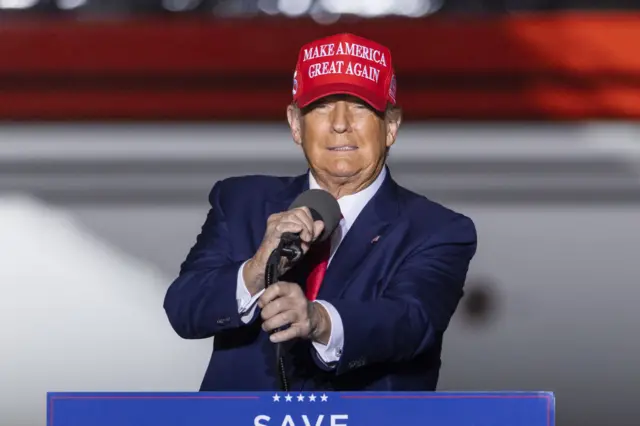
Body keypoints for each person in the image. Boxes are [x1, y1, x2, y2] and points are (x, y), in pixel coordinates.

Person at [163, 33, 477, 391]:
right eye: (322, 105)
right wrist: (255, 270)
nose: (340, 123)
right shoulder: (240, 201)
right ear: (295, 124)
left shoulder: (439, 230)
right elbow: (183, 308)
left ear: (391, 125)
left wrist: (318, 320)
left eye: (360, 106)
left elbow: (410, 321)